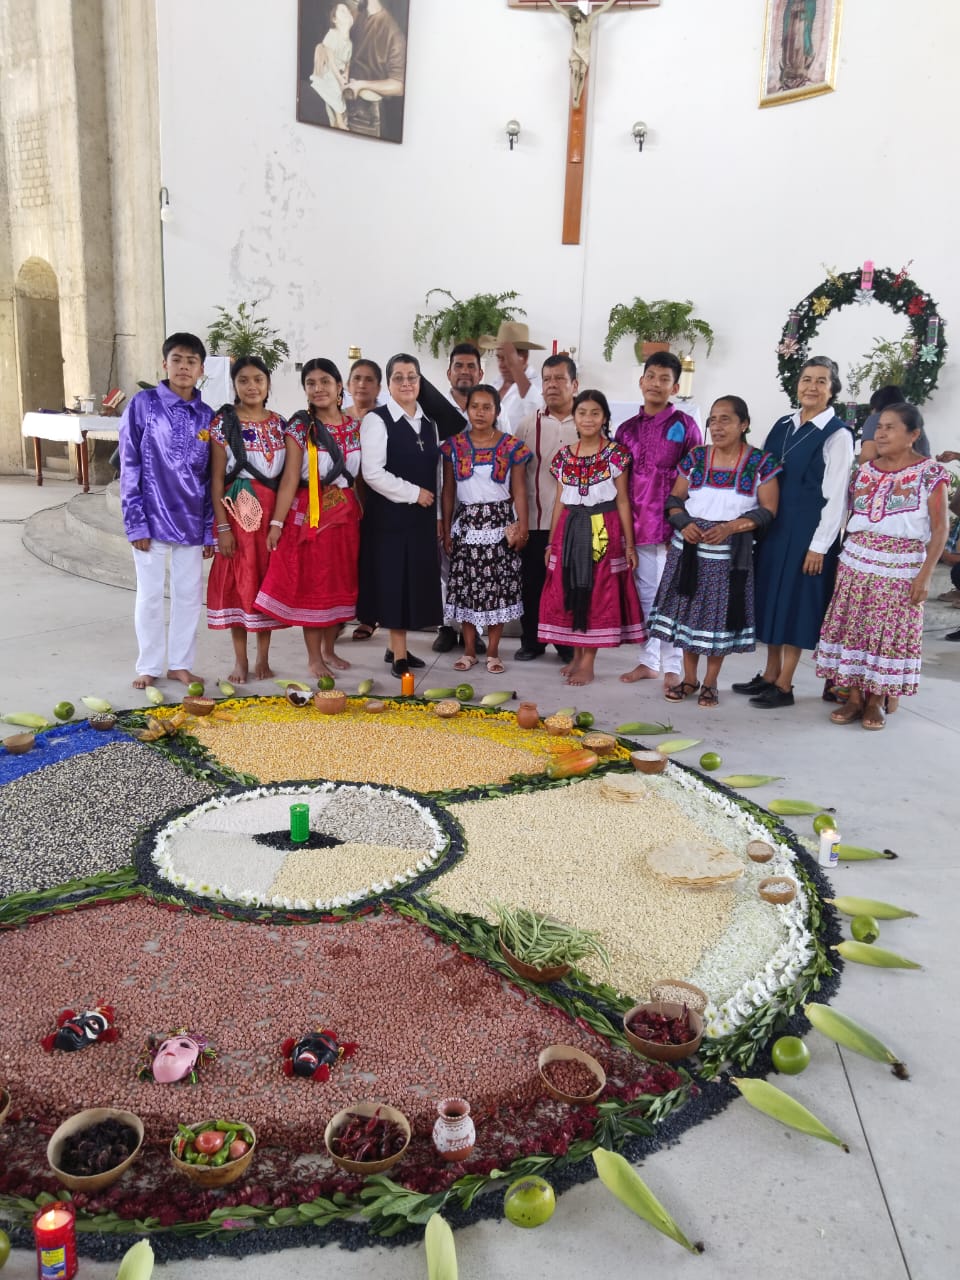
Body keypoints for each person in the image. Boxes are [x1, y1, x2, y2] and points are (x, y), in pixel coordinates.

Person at [816, 403, 948, 729]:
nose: (882, 433)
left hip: (901, 566)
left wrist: (926, 575)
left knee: (885, 635)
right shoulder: (864, 471)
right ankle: (854, 698)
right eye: (879, 427)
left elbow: (940, 527)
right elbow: (850, 518)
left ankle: (877, 699)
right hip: (857, 561)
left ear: (913, 434)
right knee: (856, 630)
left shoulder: (930, 474)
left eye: (890, 427)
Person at [735, 356, 854, 709]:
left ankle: (785, 684)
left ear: (832, 390)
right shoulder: (783, 424)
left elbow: (837, 498)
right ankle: (769, 674)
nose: (811, 387)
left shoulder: (837, 436)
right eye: (806, 379)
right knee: (773, 598)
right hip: (776, 527)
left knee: (796, 604)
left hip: (809, 531)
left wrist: (820, 546)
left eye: (821, 381)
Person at [646, 397, 781, 708]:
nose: (717, 427)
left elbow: (769, 510)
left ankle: (710, 683)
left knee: (717, 621)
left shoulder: (761, 463)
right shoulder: (695, 458)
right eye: (713, 420)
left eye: (725, 419)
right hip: (690, 547)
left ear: (743, 424)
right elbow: (675, 498)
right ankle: (690, 679)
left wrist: (731, 528)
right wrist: (683, 522)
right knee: (688, 616)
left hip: (730, 553)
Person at [118, 332, 214, 690]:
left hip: (191, 521)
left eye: (192, 361)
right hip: (151, 520)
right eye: (177, 359)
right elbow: (129, 464)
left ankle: (180, 664)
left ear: (202, 369)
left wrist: (208, 529)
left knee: (189, 597)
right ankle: (149, 664)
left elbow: (209, 478)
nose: (184, 367)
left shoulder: (207, 416)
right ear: (165, 364)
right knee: (150, 595)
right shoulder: (144, 405)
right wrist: (135, 522)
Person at [255, 359, 361, 680]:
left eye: (325, 381)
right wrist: (276, 523)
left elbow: (362, 478)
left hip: (345, 516)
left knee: (338, 583)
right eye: (311, 383)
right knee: (313, 586)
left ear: (339, 386)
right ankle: (314, 658)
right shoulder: (301, 428)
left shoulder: (355, 426)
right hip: (310, 516)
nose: (319, 388)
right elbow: (289, 479)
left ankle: (330, 649)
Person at [538, 390, 645, 686]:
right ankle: (575, 654)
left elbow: (623, 500)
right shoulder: (563, 457)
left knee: (597, 591)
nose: (588, 418)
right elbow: (560, 500)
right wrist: (550, 541)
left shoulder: (616, 455)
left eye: (595, 413)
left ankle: (589, 662)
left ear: (605, 418)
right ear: (575, 417)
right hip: (569, 528)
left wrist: (629, 544)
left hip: (603, 528)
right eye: (582, 412)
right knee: (570, 588)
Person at [615, 351, 701, 689]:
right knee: (644, 595)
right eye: (651, 376)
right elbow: (618, 480)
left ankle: (672, 664)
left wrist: (681, 522)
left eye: (664, 379)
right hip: (633, 524)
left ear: (675, 386)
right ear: (641, 381)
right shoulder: (626, 430)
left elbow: (694, 475)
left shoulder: (685, 426)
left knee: (669, 595)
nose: (656, 383)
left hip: (668, 525)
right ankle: (648, 660)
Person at [357, 352, 443, 678]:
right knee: (395, 581)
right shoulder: (376, 420)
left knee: (414, 581)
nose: (406, 383)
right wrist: (413, 493)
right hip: (390, 517)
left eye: (412, 377)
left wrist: (434, 513)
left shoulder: (429, 423)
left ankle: (396, 647)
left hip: (421, 518)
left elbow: (435, 473)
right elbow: (372, 473)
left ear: (420, 382)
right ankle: (400, 656)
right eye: (398, 377)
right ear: (388, 384)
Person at [207, 357, 288, 682]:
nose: (251, 386)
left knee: (264, 584)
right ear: (234, 385)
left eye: (258, 379)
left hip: (271, 516)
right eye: (243, 380)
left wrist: (279, 522)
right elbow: (215, 481)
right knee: (240, 584)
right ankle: (240, 660)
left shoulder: (282, 424)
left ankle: (263, 659)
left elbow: (288, 476)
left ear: (268, 384)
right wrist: (222, 528)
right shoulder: (223, 425)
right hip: (238, 515)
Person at [440, 385, 531, 675]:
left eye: (487, 407)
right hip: (466, 525)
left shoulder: (511, 446)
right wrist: (445, 526)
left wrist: (523, 527)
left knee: (498, 589)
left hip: (500, 524)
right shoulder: (453, 446)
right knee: (467, 589)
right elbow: (448, 491)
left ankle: (492, 651)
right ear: (467, 409)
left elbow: (519, 490)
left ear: (497, 411)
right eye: (475, 406)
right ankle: (469, 651)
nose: (480, 412)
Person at [513, 353, 580, 663]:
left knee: (569, 584)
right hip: (538, 519)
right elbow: (517, 474)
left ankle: (567, 644)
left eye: (560, 379)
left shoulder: (586, 422)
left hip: (574, 522)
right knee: (533, 584)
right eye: (547, 380)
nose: (552, 385)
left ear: (574, 384)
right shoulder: (528, 425)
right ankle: (532, 641)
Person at [432, 342, 485, 654]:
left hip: (479, 504)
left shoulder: (488, 405)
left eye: (470, 366)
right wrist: (439, 513)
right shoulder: (433, 409)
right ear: (448, 372)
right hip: (443, 499)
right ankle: (446, 627)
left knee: (475, 568)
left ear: (480, 372)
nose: (464, 371)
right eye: (459, 366)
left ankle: (474, 630)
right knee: (444, 567)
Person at [345, 359, 383, 642]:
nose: (362, 384)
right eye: (357, 378)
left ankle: (369, 616)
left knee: (371, 558)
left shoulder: (385, 419)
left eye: (369, 379)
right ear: (347, 384)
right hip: (342, 498)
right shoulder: (339, 418)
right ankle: (338, 615)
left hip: (376, 498)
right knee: (344, 559)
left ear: (379, 387)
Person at [345, 0, 406, 143]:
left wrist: (362, 85)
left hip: (368, 118)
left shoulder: (394, 33)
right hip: (346, 106)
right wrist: (323, 48)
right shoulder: (357, 16)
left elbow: (399, 86)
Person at [479, 321, 545, 432]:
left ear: (524, 357)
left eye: (507, 359)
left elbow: (536, 409)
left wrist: (515, 368)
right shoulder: (495, 383)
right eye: (499, 358)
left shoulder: (538, 385)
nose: (502, 364)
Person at [310, 1, 355, 129]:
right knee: (336, 87)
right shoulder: (332, 34)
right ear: (334, 19)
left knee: (344, 89)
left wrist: (345, 75)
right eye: (342, 11)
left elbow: (347, 63)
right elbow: (331, 62)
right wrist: (340, 80)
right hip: (329, 71)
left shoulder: (350, 43)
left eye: (347, 11)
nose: (346, 13)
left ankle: (337, 121)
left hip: (339, 72)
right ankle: (340, 121)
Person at [859, 385, 931, 462]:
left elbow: (868, 457)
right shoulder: (914, 421)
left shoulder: (876, 418)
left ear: (876, 407)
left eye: (889, 427)